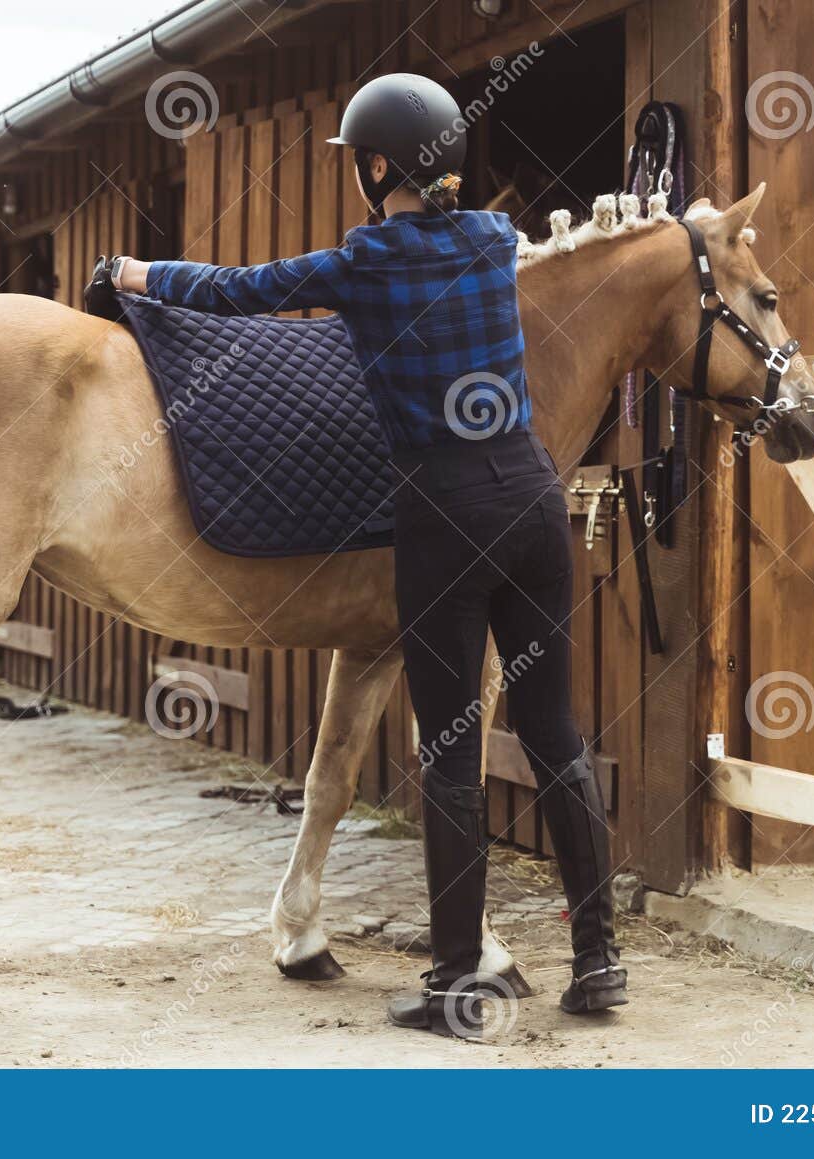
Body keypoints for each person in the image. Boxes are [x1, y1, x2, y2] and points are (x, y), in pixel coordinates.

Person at [91, 73, 625, 1039]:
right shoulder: (496, 240)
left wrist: (135, 274)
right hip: (534, 503)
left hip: (445, 514)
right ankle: (600, 963)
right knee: (555, 736)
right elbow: (553, 247)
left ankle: (457, 979)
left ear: (378, 167)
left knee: (452, 750)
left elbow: (235, 293)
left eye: (360, 163)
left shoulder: (365, 260)